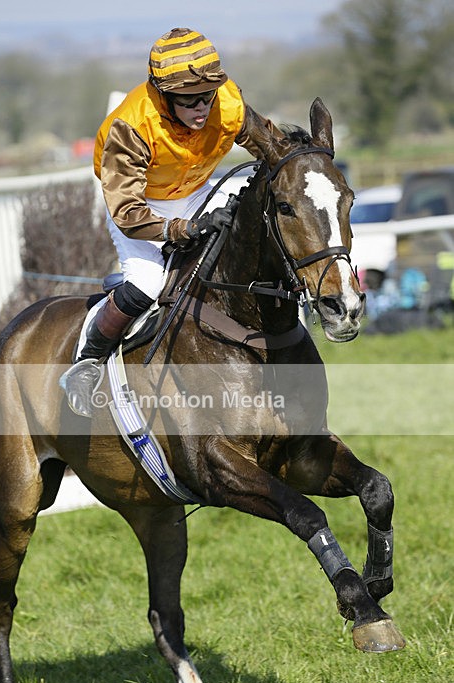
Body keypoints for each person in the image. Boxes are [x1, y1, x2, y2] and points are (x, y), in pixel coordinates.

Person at [62, 27, 280, 416]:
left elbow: (271, 146)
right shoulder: (130, 127)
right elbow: (127, 213)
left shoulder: (227, 102)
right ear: (165, 97)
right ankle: (87, 361)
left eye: (207, 96)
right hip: (140, 205)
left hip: (197, 188)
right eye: (189, 100)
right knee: (147, 282)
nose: (202, 108)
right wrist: (180, 230)